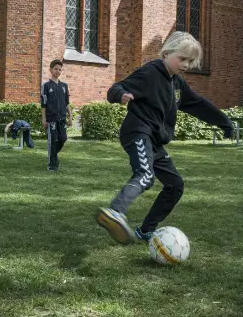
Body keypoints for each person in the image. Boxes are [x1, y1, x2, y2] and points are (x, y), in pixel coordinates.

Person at [96, 31, 234, 244]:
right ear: (166, 53)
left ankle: (145, 230)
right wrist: (120, 95)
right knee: (145, 175)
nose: (186, 65)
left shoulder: (177, 84)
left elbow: (198, 103)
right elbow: (116, 87)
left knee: (175, 185)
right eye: (182, 59)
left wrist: (224, 122)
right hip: (138, 132)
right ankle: (115, 211)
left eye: (190, 61)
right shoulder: (150, 73)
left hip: (155, 141)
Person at [41, 59, 72, 171]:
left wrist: (70, 116)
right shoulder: (46, 86)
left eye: (60, 69)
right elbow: (43, 104)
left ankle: (53, 154)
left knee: (63, 138)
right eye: (56, 69)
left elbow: (67, 103)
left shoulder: (64, 86)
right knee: (52, 140)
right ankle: (52, 164)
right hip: (51, 119)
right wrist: (44, 119)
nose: (58, 71)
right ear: (51, 70)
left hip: (62, 118)